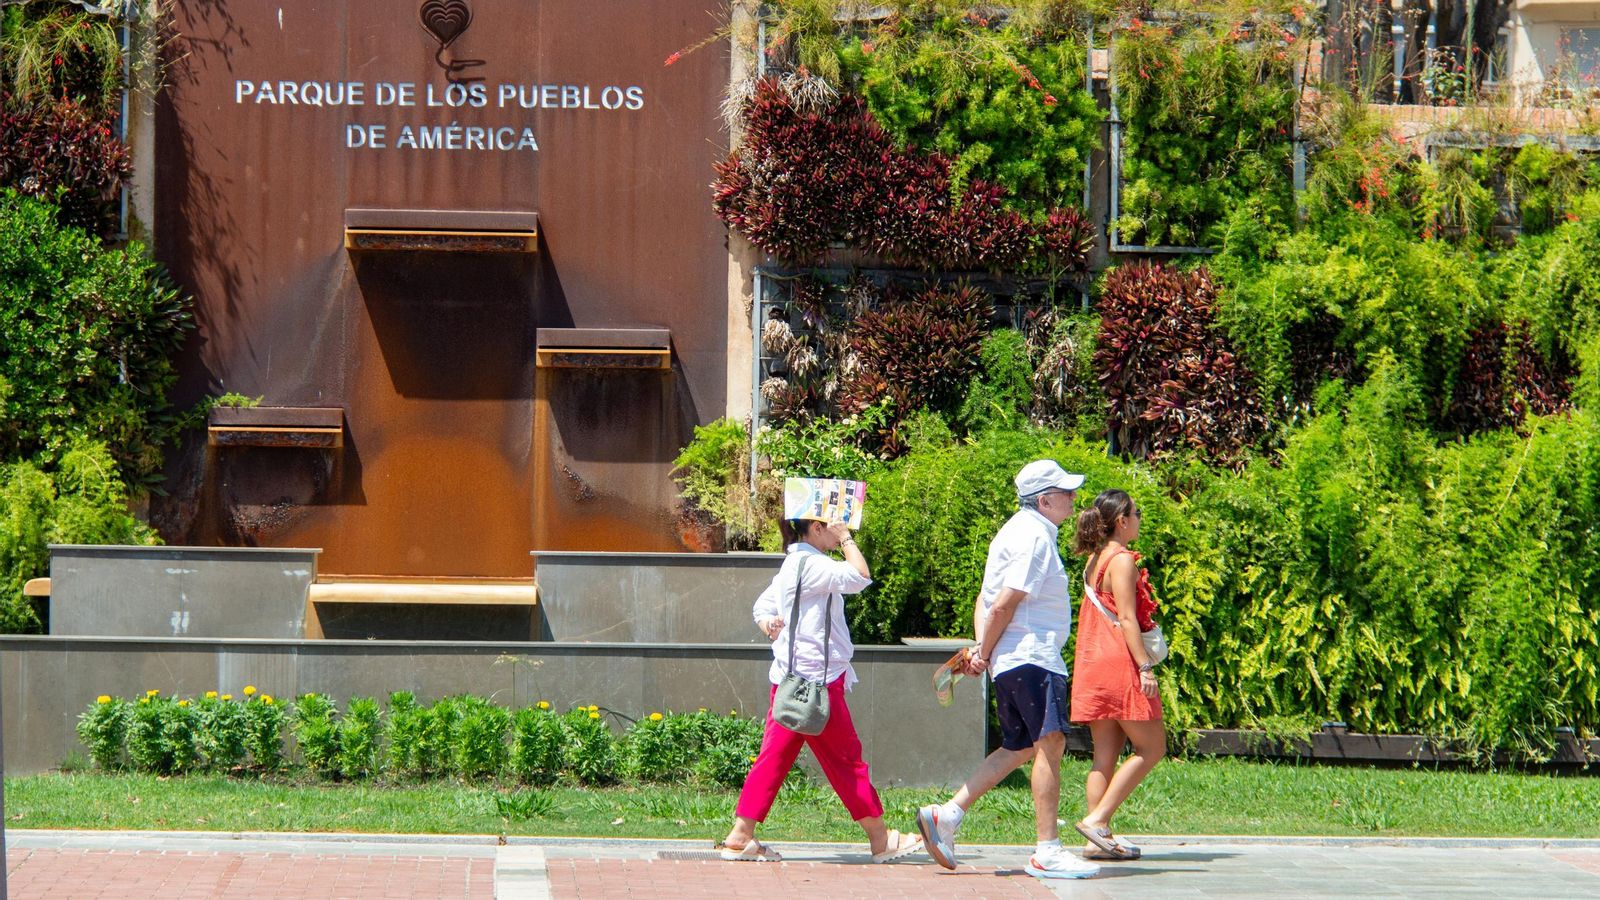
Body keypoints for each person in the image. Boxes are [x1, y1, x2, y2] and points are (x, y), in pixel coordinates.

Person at [914, 460, 1101, 880]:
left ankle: (946, 816)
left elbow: (985, 600)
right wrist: (985, 650)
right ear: (1044, 500)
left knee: (1018, 748)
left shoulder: (1013, 532)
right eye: (1065, 492)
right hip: (1034, 657)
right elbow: (1003, 603)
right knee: (1050, 743)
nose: (1073, 497)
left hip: (1015, 661)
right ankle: (1047, 851)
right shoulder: (1035, 536)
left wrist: (985, 651)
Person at [717, 515, 923, 863]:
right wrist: (846, 540)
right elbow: (860, 576)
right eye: (832, 525)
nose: (839, 529)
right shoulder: (812, 565)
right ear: (816, 528)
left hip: (789, 682)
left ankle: (740, 835)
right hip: (816, 686)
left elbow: (763, 605)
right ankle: (881, 839)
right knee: (846, 761)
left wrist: (769, 622)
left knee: (774, 758)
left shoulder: (793, 564)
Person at [1070, 489, 1165, 861]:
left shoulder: (1095, 559)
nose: (1140, 518)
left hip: (1092, 663)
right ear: (1122, 521)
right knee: (1152, 747)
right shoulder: (1121, 560)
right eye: (1136, 513)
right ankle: (1098, 820)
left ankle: (1097, 838)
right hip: (1118, 663)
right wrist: (1144, 666)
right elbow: (1126, 617)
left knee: (1103, 755)